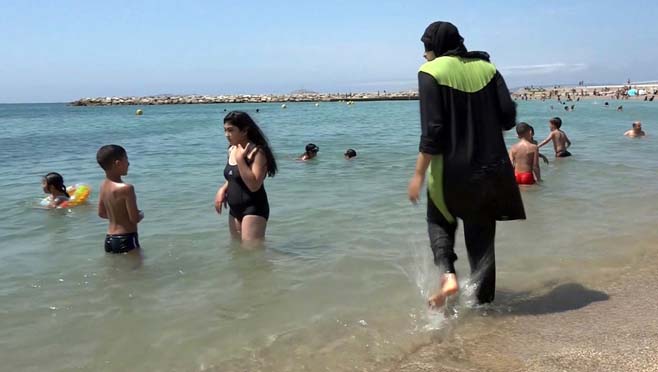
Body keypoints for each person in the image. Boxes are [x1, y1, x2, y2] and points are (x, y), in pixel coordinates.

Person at [408, 21, 525, 308]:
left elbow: (433, 131)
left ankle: (448, 274)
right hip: (491, 171)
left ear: (432, 47)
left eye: (426, 49)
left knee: (439, 219)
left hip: (450, 172)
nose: (425, 55)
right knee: (482, 243)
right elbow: (509, 117)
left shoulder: (430, 72)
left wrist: (418, 174)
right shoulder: (488, 68)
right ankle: (485, 311)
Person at [215, 111, 277, 243]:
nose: (227, 135)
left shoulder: (257, 152)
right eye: (225, 130)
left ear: (244, 131)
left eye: (231, 130)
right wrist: (223, 189)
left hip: (254, 208)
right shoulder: (232, 149)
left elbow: (254, 185)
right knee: (238, 251)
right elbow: (234, 176)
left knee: (252, 253)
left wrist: (240, 159)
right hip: (234, 209)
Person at [96, 145, 144, 254]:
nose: (128, 163)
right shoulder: (127, 188)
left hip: (109, 239)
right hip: (126, 238)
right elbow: (134, 219)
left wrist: (117, 216)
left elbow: (101, 213)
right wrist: (141, 214)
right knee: (135, 269)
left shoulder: (103, 186)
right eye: (126, 159)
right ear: (117, 163)